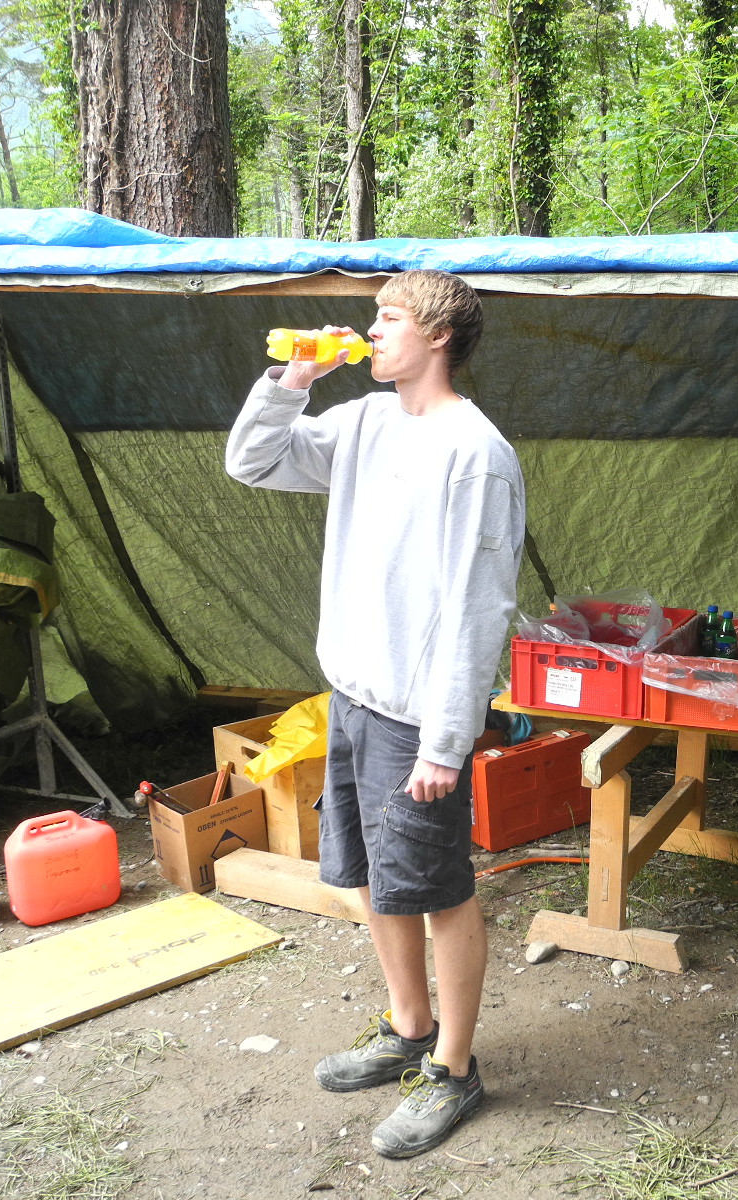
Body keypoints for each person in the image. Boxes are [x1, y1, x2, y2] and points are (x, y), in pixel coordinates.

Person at [225, 269, 524, 1158]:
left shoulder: (476, 453)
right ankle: (408, 1027)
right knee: (373, 879)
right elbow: (252, 462)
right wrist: (292, 382)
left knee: (439, 890)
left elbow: (478, 607)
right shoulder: (361, 421)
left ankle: (455, 1070)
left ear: (438, 336)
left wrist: (446, 741)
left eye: (389, 317)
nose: (372, 330)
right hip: (352, 696)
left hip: (415, 717)